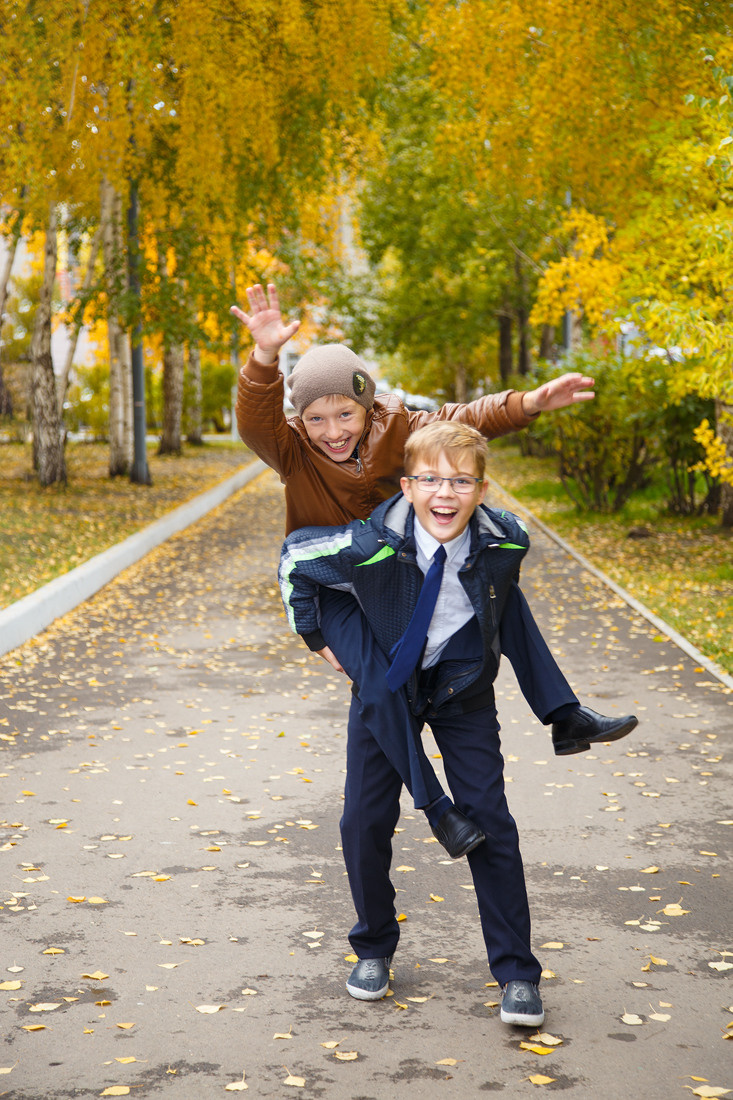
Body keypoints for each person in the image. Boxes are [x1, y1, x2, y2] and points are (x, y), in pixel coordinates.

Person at [231, 284, 637, 857]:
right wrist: (265, 357)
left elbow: (462, 418)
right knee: (378, 689)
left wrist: (529, 404)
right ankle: (436, 807)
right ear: (301, 421)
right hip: (340, 587)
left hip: (395, 574)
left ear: (367, 406)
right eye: (316, 419)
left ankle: (564, 713)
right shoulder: (291, 448)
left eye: (344, 413)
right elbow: (254, 420)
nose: (332, 431)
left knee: (494, 581)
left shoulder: (398, 425)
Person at [279, 421, 561, 1023]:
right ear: (407, 486)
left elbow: (509, 606)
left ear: (481, 490)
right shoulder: (375, 539)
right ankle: (374, 946)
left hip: (461, 690)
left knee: (491, 819)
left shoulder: (502, 540)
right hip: (389, 689)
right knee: (363, 818)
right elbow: (296, 558)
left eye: (461, 481)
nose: (446, 493)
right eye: (431, 479)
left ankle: (516, 972)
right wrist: (312, 633)